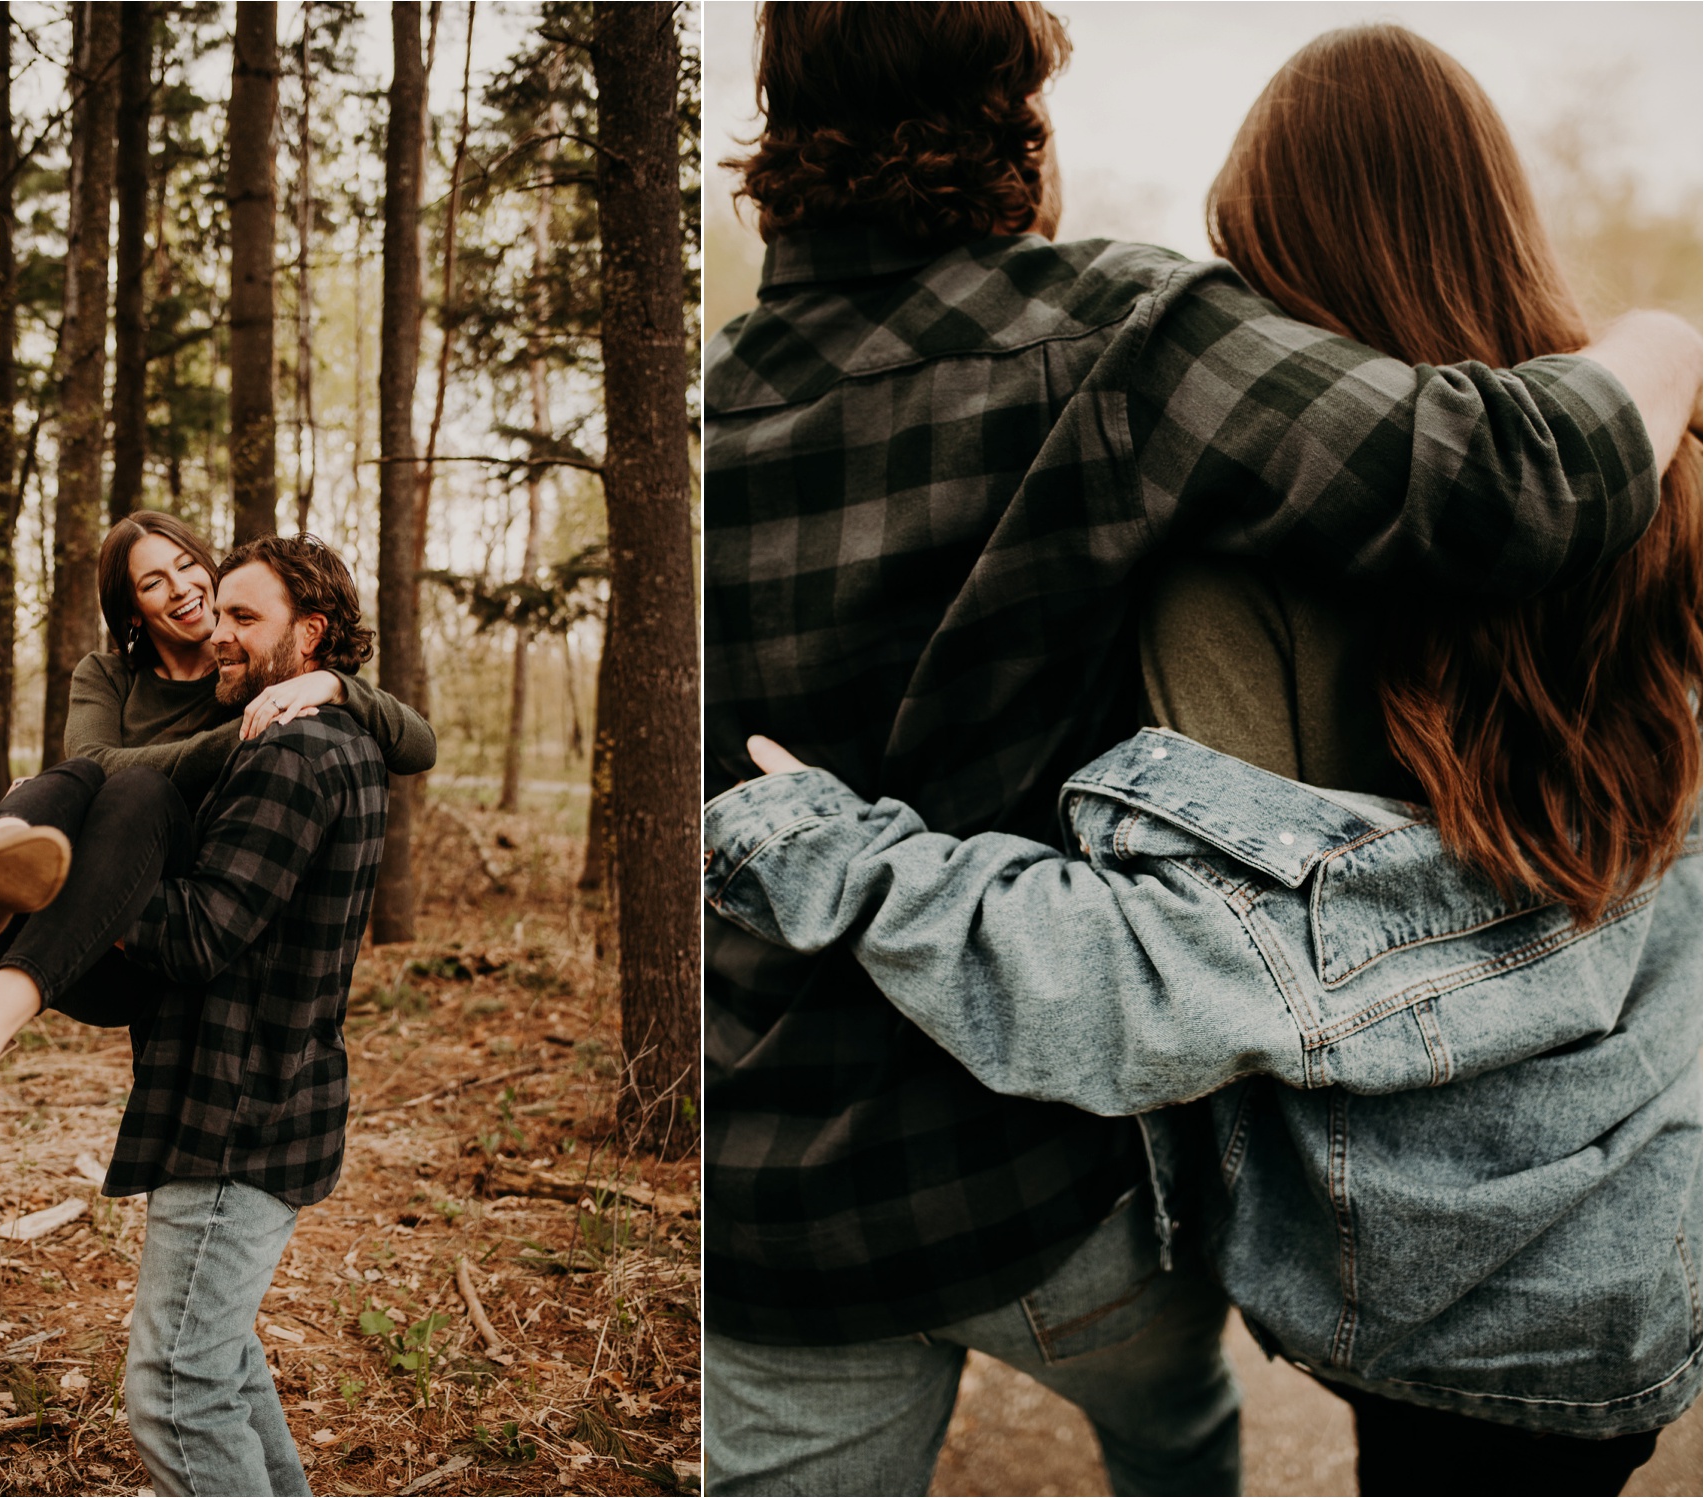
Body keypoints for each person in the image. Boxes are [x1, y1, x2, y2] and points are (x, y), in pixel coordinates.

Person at [700, 5, 1701, 1494]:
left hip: (785, 1202)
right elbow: (1513, 476)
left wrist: (832, 850)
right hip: (1082, 1182)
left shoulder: (706, 400)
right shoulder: (1129, 344)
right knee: (1176, 1441)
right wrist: (1665, 337)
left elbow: (1227, 948)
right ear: (1019, 118)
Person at [0, 511, 431, 1133]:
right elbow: (92, 763)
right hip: (63, 931)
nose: (181, 589)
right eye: (152, 583)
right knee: (80, 777)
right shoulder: (117, 676)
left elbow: (418, 742)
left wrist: (332, 684)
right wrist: (243, 729)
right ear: (131, 612)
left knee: (133, 787)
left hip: (144, 947)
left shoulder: (247, 670)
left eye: (186, 565)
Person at [87, 531, 381, 1497]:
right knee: (221, 1361)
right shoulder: (332, 738)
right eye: (224, 613)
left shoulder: (292, 754)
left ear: (312, 637)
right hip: (250, 1099)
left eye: (246, 618)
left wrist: (89, 891)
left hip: (238, 1115)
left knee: (176, 1387)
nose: (219, 631)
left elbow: (205, 932)